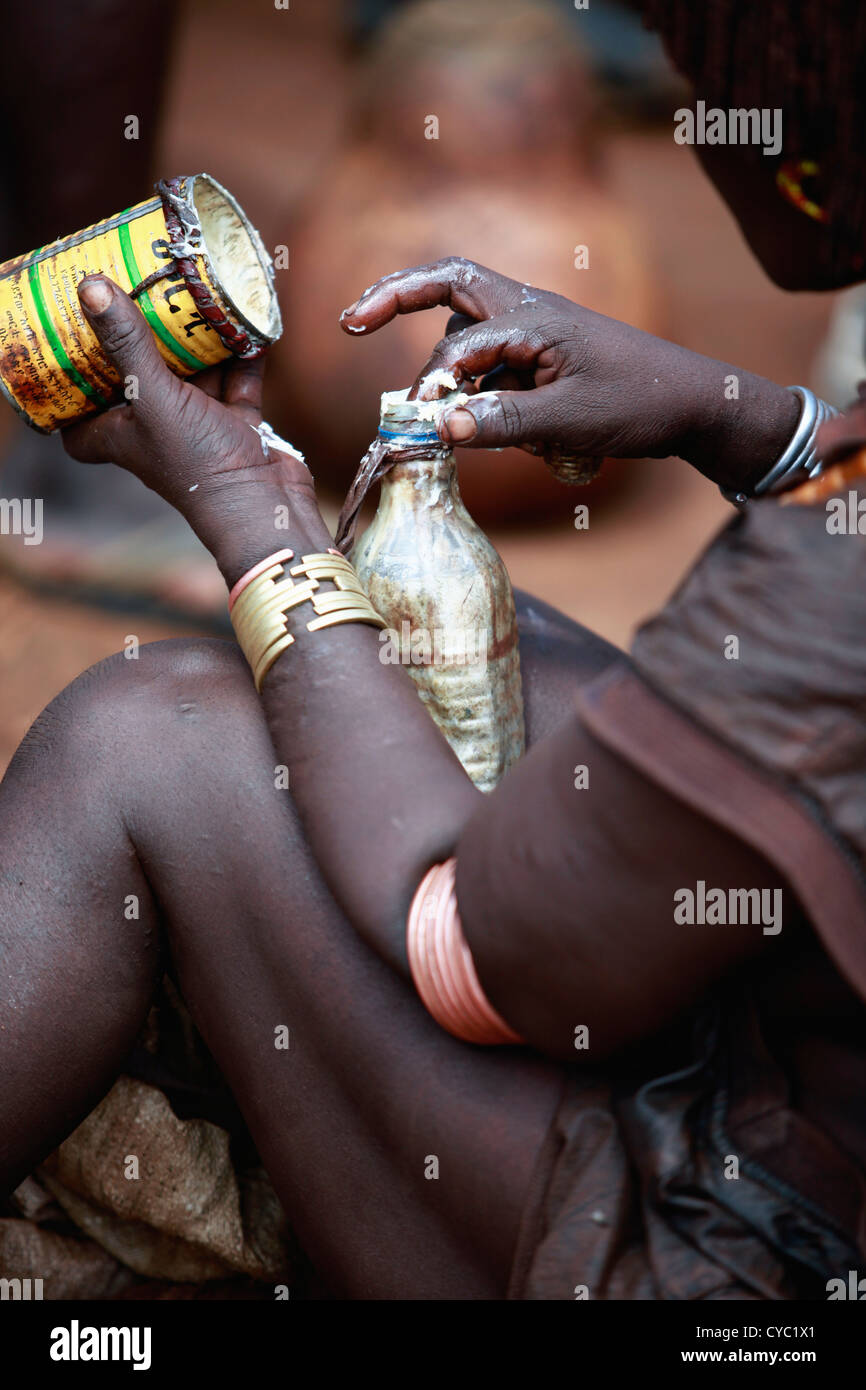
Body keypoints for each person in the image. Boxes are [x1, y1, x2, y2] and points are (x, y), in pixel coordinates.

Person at [2, 0, 866, 1299]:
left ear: (813, 105)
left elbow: (474, 957)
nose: (690, 107)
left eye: (705, 60)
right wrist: (747, 418)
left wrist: (261, 521)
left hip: (760, 1261)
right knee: (436, 658)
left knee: (147, 735)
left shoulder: (820, 595)